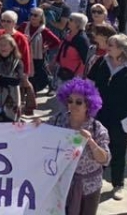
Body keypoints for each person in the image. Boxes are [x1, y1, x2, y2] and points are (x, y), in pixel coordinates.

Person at [87, 33, 127, 201]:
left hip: (122, 120)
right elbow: (89, 85)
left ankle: (118, 184)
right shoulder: (100, 63)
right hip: (99, 115)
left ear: (121, 49)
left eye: (111, 45)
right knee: (96, 149)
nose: (107, 47)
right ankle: (95, 181)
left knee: (118, 151)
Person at [47, 78, 112, 215]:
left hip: (89, 187)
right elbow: (40, 135)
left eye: (78, 102)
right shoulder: (58, 120)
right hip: (62, 184)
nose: (73, 105)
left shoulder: (96, 128)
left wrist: (91, 142)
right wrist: (36, 125)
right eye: (70, 101)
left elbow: (105, 159)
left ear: (88, 105)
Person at [20, 8, 61, 93]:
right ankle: (31, 91)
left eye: (35, 15)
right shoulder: (24, 25)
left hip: (38, 55)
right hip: (25, 54)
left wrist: (47, 47)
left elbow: (57, 41)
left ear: (41, 18)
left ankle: (51, 86)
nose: (32, 17)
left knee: (42, 73)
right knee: (28, 73)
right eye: (31, 14)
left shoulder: (44, 30)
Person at [56, 13, 91, 83]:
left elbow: (85, 61)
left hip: (74, 75)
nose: (68, 21)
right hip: (63, 71)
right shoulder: (68, 34)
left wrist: (78, 77)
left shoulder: (82, 39)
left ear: (78, 24)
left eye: (71, 20)